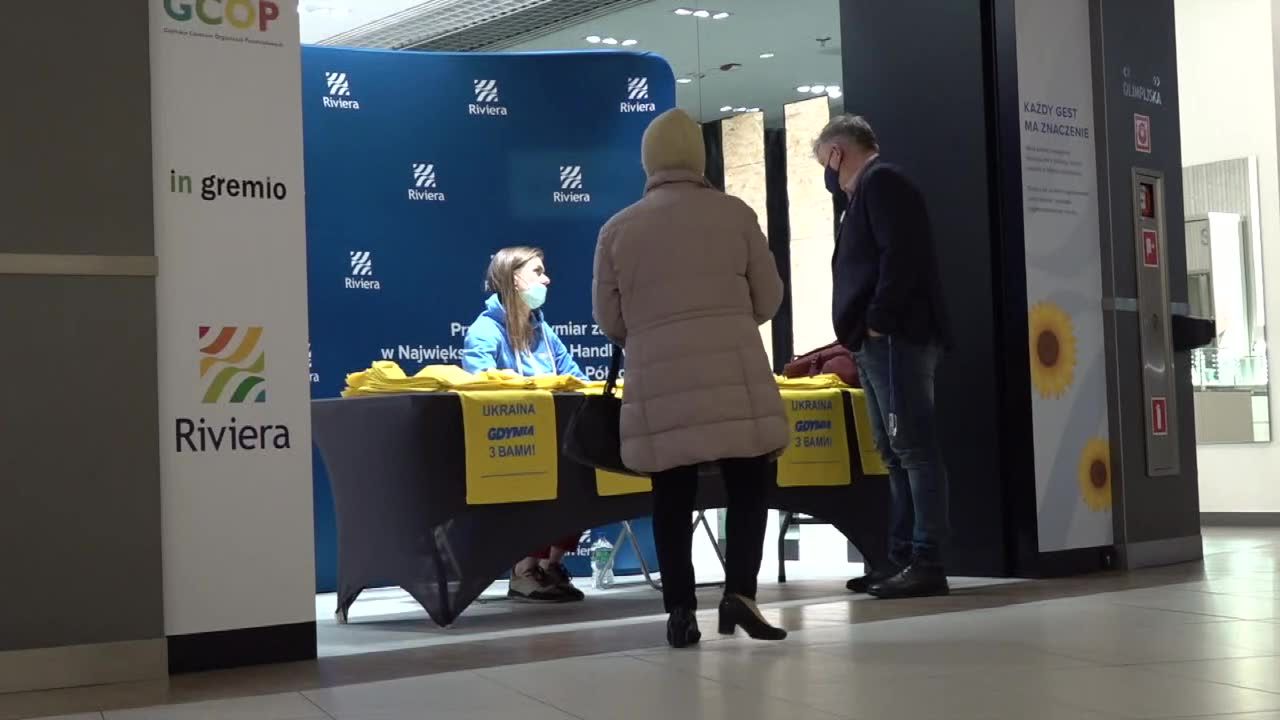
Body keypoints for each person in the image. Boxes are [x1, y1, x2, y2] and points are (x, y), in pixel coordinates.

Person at [593, 108, 789, 648]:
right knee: (749, 483)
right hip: (734, 373)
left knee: (671, 495)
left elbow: (609, 321)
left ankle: (680, 611)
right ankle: (740, 595)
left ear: (648, 161)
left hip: (661, 385)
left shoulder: (617, 230)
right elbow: (769, 299)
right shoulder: (735, 214)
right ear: (699, 158)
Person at [814, 114, 952, 599]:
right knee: (893, 452)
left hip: (895, 340)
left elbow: (902, 255)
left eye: (823, 161)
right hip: (872, 343)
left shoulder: (883, 182)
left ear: (837, 153)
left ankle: (925, 558)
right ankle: (898, 557)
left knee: (913, 449)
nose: (826, 173)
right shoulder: (862, 196)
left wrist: (879, 318)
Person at [462, 246, 588, 603]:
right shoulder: (485, 330)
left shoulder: (543, 330)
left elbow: (574, 377)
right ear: (514, 279)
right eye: (538, 271)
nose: (546, 279)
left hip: (553, 436)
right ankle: (522, 570)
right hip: (512, 443)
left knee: (579, 474)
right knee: (539, 478)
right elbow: (479, 381)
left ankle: (550, 566)